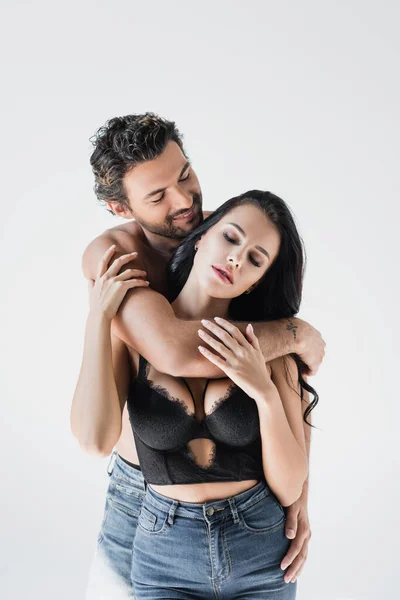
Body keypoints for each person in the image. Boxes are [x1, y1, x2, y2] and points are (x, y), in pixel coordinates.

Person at [70, 114, 325, 598]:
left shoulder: (229, 235)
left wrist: (300, 498)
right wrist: (294, 333)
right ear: (118, 207)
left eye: (184, 174)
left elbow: (293, 398)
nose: (185, 201)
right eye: (158, 195)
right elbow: (174, 349)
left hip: (253, 515)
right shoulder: (116, 259)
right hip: (139, 499)